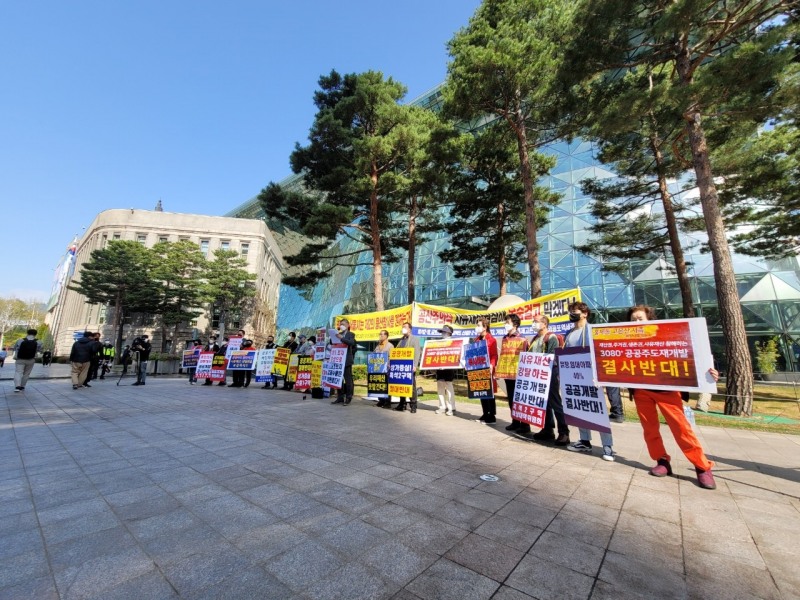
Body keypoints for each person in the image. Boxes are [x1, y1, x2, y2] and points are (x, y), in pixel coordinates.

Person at [627, 305, 718, 490]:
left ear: (649, 320)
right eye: (633, 320)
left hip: (667, 390)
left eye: (640, 319)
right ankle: (662, 460)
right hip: (641, 390)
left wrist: (709, 374)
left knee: (681, 428)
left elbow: (690, 354)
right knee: (650, 429)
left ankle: (702, 467)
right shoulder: (625, 341)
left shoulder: (667, 336)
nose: (636, 322)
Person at [564, 302, 616, 461]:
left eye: (575, 311)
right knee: (579, 407)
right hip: (573, 375)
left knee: (597, 410)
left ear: (585, 313)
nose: (572, 313)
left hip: (591, 376)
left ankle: (607, 446)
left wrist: (599, 376)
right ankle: (584, 440)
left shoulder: (592, 331)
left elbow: (600, 354)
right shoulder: (570, 333)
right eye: (571, 311)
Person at [529, 315, 570, 446]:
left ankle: (564, 432)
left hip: (550, 373)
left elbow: (552, 356)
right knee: (543, 402)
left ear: (544, 324)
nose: (533, 324)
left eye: (536, 322)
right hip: (537, 374)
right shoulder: (535, 339)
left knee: (555, 401)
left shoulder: (551, 337)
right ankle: (547, 429)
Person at [499, 314, 531, 434]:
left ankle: (525, 424)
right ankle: (515, 421)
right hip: (508, 374)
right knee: (511, 399)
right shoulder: (504, 338)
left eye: (508, 322)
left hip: (519, 375)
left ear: (515, 324)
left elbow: (527, 356)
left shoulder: (522, 339)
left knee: (521, 400)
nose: (505, 324)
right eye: (505, 322)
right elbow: (503, 355)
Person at [473, 317, 499, 424]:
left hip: (488, 369)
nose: (477, 327)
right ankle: (485, 413)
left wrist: (492, 365)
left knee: (489, 393)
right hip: (478, 369)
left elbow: (494, 355)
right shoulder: (477, 340)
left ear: (485, 327)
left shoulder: (491, 340)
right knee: (481, 392)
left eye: (479, 325)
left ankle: (491, 415)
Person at [394, 321, 422, 413]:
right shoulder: (401, 340)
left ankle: (413, 405)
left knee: (412, 386)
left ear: (410, 329)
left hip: (409, 367)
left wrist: (415, 365)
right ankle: (402, 404)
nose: (403, 328)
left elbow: (417, 353)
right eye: (403, 327)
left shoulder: (414, 339)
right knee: (402, 385)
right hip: (401, 367)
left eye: (405, 327)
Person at [331, 319, 358, 405]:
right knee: (338, 379)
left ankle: (348, 397)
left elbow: (351, 343)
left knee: (348, 380)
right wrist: (333, 335)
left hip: (346, 360)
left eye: (343, 324)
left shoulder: (351, 334)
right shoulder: (339, 334)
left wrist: (341, 338)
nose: (341, 326)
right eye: (340, 324)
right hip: (338, 360)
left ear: (347, 325)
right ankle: (340, 397)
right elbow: (332, 342)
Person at [434, 325, 457, 416]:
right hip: (439, 367)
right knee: (440, 386)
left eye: (444, 332)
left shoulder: (454, 342)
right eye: (442, 332)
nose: (443, 334)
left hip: (449, 367)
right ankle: (442, 406)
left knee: (449, 386)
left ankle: (451, 407)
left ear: (449, 333)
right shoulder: (438, 343)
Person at [374, 329, 395, 408]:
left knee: (387, 385)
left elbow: (392, 357)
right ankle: (381, 400)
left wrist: (389, 365)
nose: (381, 336)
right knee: (380, 384)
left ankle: (387, 402)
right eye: (380, 334)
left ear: (386, 336)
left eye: (383, 334)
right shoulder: (378, 345)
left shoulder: (390, 345)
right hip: (378, 368)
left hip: (387, 368)